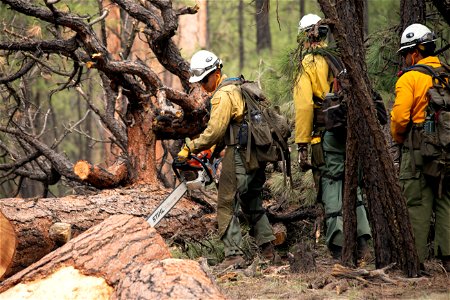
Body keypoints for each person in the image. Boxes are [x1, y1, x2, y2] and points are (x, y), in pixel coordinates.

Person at [178, 50, 279, 268]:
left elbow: (215, 131)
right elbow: (232, 130)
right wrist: (211, 151)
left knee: (225, 202)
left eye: (204, 80)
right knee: (251, 200)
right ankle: (268, 249)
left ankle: (233, 255)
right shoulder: (238, 88)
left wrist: (191, 146)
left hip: (241, 154)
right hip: (257, 153)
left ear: (215, 72)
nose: (203, 86)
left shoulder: (223, 95)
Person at [293, 14, 372, 261]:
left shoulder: (306, 63)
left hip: (325, 135)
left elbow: (305, 106)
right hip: (350, 131)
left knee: (331, 183)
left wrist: (302, 144)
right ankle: (363, 241)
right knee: (353, 183)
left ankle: (338, 246)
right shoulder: (342, 57)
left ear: (305, 36)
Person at [391, 23, 450, 272]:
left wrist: (398, 140)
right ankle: (448, 258)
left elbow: (400, 119)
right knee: (446, 200)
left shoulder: (410, 78)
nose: (405, 59)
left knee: (416, 202)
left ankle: (414, 261)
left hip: (417, 150)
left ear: (415, 52)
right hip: (447, 149)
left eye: (405, 53)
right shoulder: (447, 74)